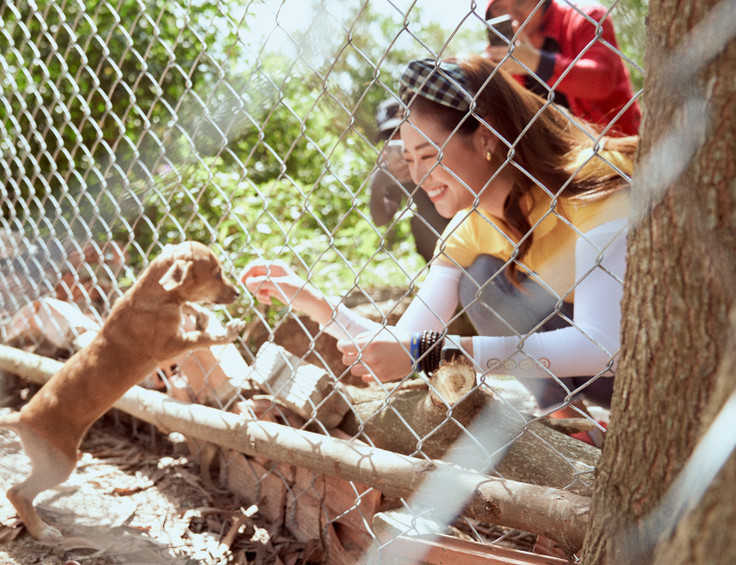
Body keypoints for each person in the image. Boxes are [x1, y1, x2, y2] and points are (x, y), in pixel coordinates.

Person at [241, 56, 636, 437]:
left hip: (646, 368)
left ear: (485, 137)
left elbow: (602, 347)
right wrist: (314, 303)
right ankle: (572, 422)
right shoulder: (471, 225)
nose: (418, 174)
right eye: (409, 157)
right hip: (594, 377)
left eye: (428, 154)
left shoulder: (591, 190)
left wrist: (435, 351)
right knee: (480, 279)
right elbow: (407, 342)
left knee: (480, 282)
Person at [483, 0, 641, 137]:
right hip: (553, 160)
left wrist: (537, 62)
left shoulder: (587, 17)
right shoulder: (502, 57)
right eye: (501, 9)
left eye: (521, 2)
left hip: (616, 147)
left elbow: (601, 80)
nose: (513, 16)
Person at [369, 98, 450, 263]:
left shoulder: (439, 148)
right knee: (420, 223)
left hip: (458, 215)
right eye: (389, 137)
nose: (398, 142)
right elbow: (381, 220)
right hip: (432, 232)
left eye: (400, 131)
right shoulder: (394, 168)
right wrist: (378, 184)